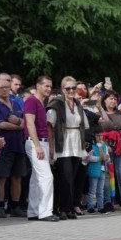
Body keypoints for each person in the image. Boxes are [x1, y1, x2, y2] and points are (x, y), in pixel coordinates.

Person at [46, 76, 90, 220]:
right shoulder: (57, 104)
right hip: (62, 144)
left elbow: (85, 125)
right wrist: (51, 147)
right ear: (62, 89)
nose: (71, 91)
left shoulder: (78, 104)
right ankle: (61, 208)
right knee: (65, 177)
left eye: (73, 88)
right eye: (68, 88)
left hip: (76, 143)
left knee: (74, 177)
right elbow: (49, 126)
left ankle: (69, 207)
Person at [24, 76, 58, 221]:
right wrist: (37, 145)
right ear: (38, 86)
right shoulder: (32, 101)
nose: (48, 89)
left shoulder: (40, 102)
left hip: (39, 142)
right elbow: (29, 124)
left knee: (36, 179)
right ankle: (45, 212)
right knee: (46, 177)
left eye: (50, 86)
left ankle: (33, 211)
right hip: (35, 142)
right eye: (46, 86)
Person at [0, 78, 27, 218]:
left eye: (5, 87)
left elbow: (25, 121)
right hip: (4, 146)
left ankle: (15, 206)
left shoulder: (16, 103)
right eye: (0, 88)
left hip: (18, 145)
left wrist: (20, 123)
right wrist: (19, 125)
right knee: (2, 177)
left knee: (17, 177)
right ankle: (1, 206)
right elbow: (1, 124)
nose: (3, 89)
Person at [100, 90, 121, 212]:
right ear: (104, 100)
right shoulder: (100, 114)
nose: (113, 101)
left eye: (114, 99)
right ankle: (108, 201)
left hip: (120, 147)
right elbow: (99, 130)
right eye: (110, 98)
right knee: (107, 176)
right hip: (106, 147)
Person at [86, 127, 109, 214]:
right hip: (94, 169)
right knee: (92, 189)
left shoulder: (104, 145)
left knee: (100, 190)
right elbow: (89, 158)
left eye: (101, 136)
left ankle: (100, 206)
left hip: (103, 169)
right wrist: (99, 158)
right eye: (98, 136)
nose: (100, 137)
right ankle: (90, 206)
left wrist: (107, 157)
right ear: (94, 136)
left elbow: (107, 156)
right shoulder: (92, 146)